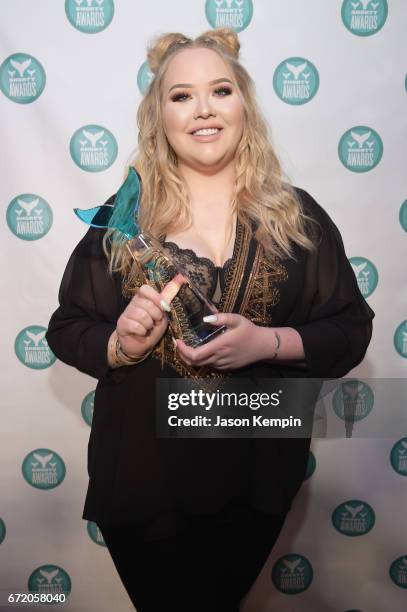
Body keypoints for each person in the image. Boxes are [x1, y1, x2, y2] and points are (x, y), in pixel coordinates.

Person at [46, 28, 375, 612]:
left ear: (243, 104)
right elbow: (68, 326)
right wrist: (122, 345)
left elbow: (349, 329)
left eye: (220, 90)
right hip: (146, 478)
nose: (203, 108)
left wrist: (268, 344)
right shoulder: (122, 221)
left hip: (259, 476)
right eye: (181, 95)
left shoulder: (297, 219)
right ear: (159, 117)